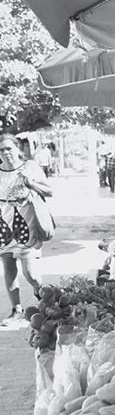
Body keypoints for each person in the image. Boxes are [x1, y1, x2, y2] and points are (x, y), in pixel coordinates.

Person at [0, 133, 52, 325]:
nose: (6, 153)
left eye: (9, 148)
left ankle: (46, 302)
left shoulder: (30, 167)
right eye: (1, 150)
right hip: (4, 227)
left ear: (17, 149)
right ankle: (16, 310)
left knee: (31, 274)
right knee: (9, 269)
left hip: (28, 226)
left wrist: (31, 183)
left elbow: (49, 191)